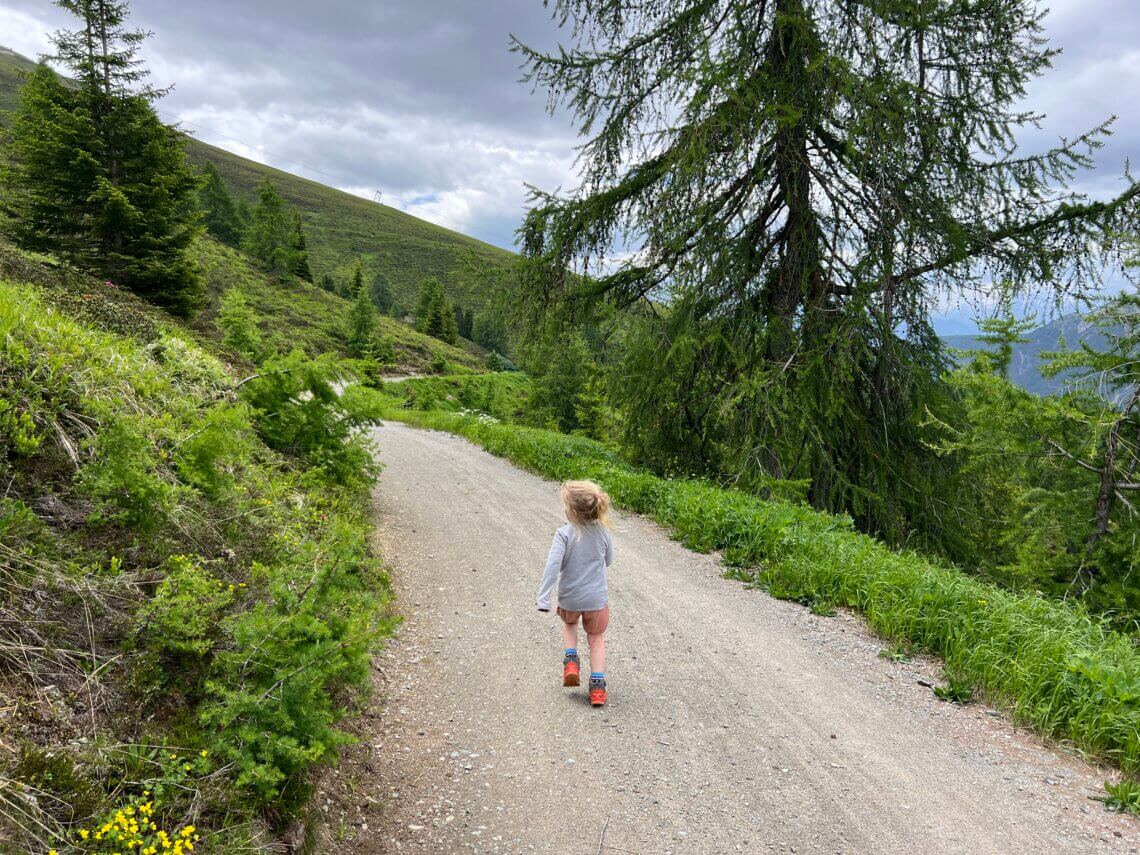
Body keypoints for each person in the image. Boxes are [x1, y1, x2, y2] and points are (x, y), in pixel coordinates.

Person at [536, 480, 614, 706]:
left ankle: (571, 660)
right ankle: (598, 688)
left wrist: (543, 598)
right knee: (596, 638)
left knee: (570, 624)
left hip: (570, 597)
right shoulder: (604, 532)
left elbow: (552, 566)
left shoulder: (564, 534)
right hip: (596, 600)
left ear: (572, 511)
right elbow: (608, 561)